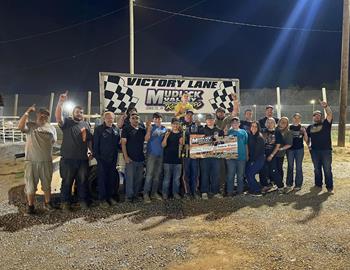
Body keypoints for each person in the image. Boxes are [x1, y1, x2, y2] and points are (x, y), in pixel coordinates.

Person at [55, 91, 93, 211]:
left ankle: (82, 201)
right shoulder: (67, 122)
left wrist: (90, 151)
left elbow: (89, 140)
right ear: (73, 113)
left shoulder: (86, 124)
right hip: (68, 159)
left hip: (82, 159)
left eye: (81, 112)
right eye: (77, 112)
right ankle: (65, 203)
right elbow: (58, 117)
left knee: (82, 182)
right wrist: (60, 103)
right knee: (67, 182)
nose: (80, 114)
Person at [18, 105, 57, 215]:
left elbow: (53, 142)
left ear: (48, 117)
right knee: (30, 186)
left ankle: (47, 203)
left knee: (47, 185)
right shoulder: (31, 125)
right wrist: (27, 111)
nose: (43, 115)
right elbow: (20, 126)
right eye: (41, 113)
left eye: (46, 114)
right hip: (31, 162)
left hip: (46, 161)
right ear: (37, 114)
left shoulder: (52, 128)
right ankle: (30, 206)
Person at [93, 112, 120, 207]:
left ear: (114, 119)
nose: (110, 120)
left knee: (111, 179)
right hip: (102, 160)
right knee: (102, 180)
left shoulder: (116, 129)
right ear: (104, 119)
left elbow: (118, 144)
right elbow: (95, 146)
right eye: (108, 118)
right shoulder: (98, 129)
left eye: (112, 118)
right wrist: (98, 159)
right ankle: (102, 200)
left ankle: (110, 197)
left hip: (113, 160)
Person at [306, 100, 334, 192]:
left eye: (319, 115)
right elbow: (307, 138)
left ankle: (329, 187)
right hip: (314, 151)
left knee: (327, 169)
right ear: (313, 117)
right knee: (317, 169)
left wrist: (326, 107)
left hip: (326, 150)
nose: (317, 116)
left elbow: (329, 114)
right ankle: (318, 185)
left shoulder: (326, 123)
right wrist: (308, 145)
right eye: (315, 115)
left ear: (321, 116)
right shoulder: (310, 127)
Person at [121, 112, 146, 202]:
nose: (135, 120)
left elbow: (147, 139)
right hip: (130, 159)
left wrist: (149, 127)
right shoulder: (126, 129)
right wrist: (126, 156)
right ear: (130, 120)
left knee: (138, 179)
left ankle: (135, 196)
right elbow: (123, 144)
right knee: (130, 179)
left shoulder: (142, 130)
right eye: (133, 118)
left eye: (137, 118)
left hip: (140, 158)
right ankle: (129, 197)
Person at [199, 114, 224, 199]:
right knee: (204, 174)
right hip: (205, 157)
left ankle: (215, 191)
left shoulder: (219, 130)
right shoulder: (201, 130)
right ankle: (204, 191)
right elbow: (197, 143)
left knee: (216, 174)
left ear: (214, 120)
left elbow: (223, 143)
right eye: (208, 119)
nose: (210, 121)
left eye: (211, 119)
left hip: (215, 156)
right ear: (206, 121)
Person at [143, 112, 167, 203]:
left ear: (161, 119)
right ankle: (146, 194)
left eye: (159, 118)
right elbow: (146, 139)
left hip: (160, 155)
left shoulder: (164, 128)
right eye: (156, 118)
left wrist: (166, 137)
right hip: (151, 155)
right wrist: (148, 130)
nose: (157, 120)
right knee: (149, 175)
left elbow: (164, 144)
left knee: (157, 176)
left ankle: (154, 193)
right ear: (153, 119)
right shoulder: (151, 127)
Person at [180, 109, 201, 199]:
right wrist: (180, 138)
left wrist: (200, 126)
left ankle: (195, 191)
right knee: (186, 173)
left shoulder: (196, 125)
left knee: (195, 172)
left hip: (195, 151)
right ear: (184, 116)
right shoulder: (180, 125)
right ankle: (187, 192)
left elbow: (202, 137)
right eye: (187, 115)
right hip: (185, 151)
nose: (189, 116)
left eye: (191, 115)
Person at [226, 117, 248, 196]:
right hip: (231, 157)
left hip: (241, 157)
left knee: (240, 175)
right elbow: (224, 144)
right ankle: (229, 192)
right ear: (231, 124)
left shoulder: (244, 132)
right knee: (230, 175)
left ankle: (240, 191)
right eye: (233, 122)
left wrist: (247, 155)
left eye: (236, 122)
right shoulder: (228, 132)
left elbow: (246, 144)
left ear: (239, 123)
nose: (235, 123)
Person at [161, 118, 183, 200]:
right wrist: (166, 137)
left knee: (176, 179)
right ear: (171, 125)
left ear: (179, 125)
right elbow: (163, 145)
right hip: (167, 160)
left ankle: (175, 193)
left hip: (178, 160)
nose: (175, 125)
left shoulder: (181, 134)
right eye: (174, 124)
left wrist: (182, 142)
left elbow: (184, 146)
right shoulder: (167, 133)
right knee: (167, 178)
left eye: (177, 124)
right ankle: (165, 193)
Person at [261, 117, 284, 193]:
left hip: (272, 155)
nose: (269, 124)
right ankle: (265, 186)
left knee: (273, 170)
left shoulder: (277, 132)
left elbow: (278, 145)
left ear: (274, 124)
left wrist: (271, 155)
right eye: (268, 122)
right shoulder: (263, 131)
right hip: (263, 155)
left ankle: (280, 186)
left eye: (271, 122)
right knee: (264, 170)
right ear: (266, 123)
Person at [286, 113, 308, 192]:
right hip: (290, 150)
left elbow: (306, 140)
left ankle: (298, 184)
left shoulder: (302, 128)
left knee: (299, 167)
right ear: (293, 118)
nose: (296, 119)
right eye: (295, 118)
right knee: (290, 166)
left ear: (300, 119)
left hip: (299, 150)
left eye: (298, 118)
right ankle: (289, 184)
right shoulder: (289, 127)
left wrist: (305, 132)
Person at [245, 121, 265, 196]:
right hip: (252, 158)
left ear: (258, 128)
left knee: (250, 174)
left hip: (258, 159)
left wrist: (252, 161)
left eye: (255, 126)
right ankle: (252, 189)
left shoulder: (259, 137)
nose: (253, 128)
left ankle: (257, 190)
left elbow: (257, 152)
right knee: (247, 173)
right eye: (252, 126)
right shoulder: (250, 135)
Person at [275, 117, 293, 193]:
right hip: (270, 152)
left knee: (279, 168)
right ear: (279, 122)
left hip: (280, 153)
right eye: (282, 121)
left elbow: (289, 144)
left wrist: (280, 149)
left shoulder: (288, 132)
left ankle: (280, 184)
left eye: (285, 122)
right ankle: (272, 182)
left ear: (287, 124)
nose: (283, 123)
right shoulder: (274, 129)